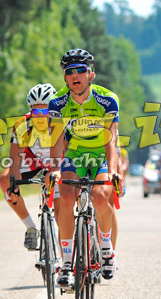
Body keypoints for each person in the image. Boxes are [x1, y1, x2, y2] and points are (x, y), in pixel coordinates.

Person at [48, 49, 120, 284]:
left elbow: (111, 139)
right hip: (76, 153)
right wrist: (55, 168)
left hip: (101, 152)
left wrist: (112, 171)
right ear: (65, 78)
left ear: (91, 75)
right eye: (70, 72)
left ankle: (107, 249)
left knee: (100, 197)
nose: (75, 75)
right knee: (66, 199)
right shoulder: (58, 103)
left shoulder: (107, 99)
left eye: (81, 70)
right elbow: (58, 140)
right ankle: (67, 263)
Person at [0, 83, 57, 251]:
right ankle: (31, 227)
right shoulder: (22, 125)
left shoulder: (61, 121)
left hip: (57, 159)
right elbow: (14, 160)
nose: (39, 115)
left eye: (44, 111)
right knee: (5, 180)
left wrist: (54, 173)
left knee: (62, 199)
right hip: (33, 158)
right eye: (35, 111)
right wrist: (14, 187)